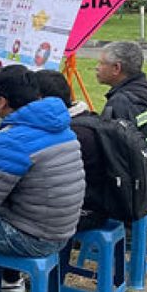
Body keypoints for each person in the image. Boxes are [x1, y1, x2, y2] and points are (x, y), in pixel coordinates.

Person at [0, 65, 85, 292]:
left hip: (32, 237)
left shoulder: (15, 137)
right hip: (61, 230)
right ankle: (6, 280)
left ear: (2, 102)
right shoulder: (59, 125)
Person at [35, 70, 107, 232]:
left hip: (85, 212)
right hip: (98, 204)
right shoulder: (88, 117)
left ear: (39, 99)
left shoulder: (69, 134)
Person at [97, 41, 147, 189]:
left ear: (116, 68)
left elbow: (121, 155)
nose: (97, 67)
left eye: (101, 63)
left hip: (146, 189)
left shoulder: (122, 102)